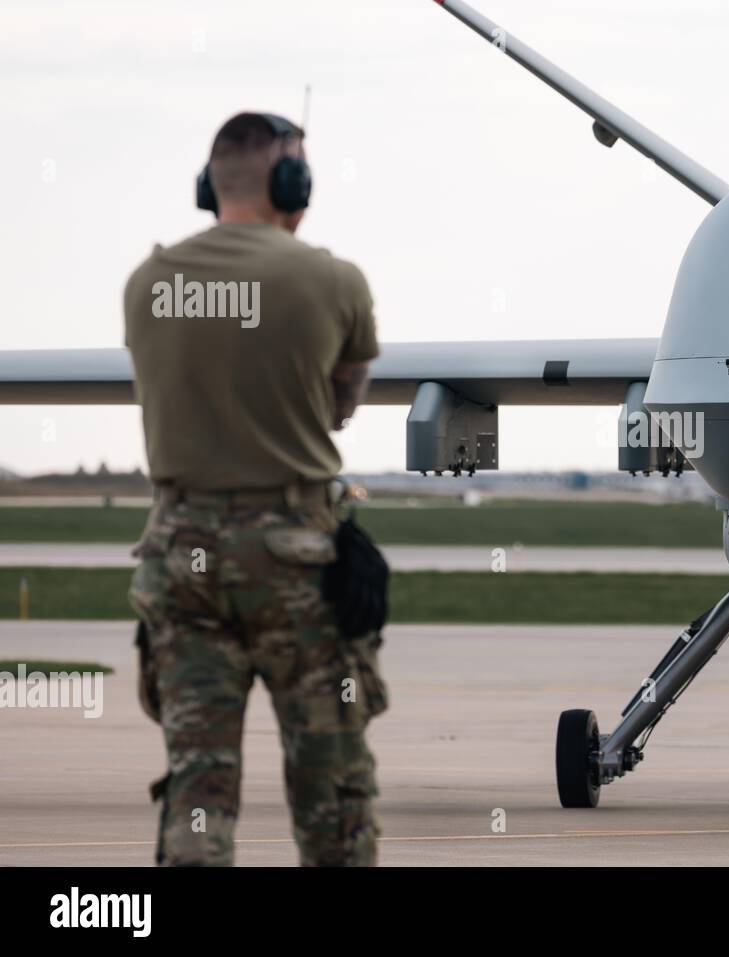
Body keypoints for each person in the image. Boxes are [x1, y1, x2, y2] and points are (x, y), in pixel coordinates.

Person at [123, 111, 385, 866]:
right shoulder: (333, 281)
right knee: (332, 787)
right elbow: (340, 403)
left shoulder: (147, 284)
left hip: (180, 559)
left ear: (211, 186)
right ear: (290, 184)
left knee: (197, 786)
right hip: (293, 557)